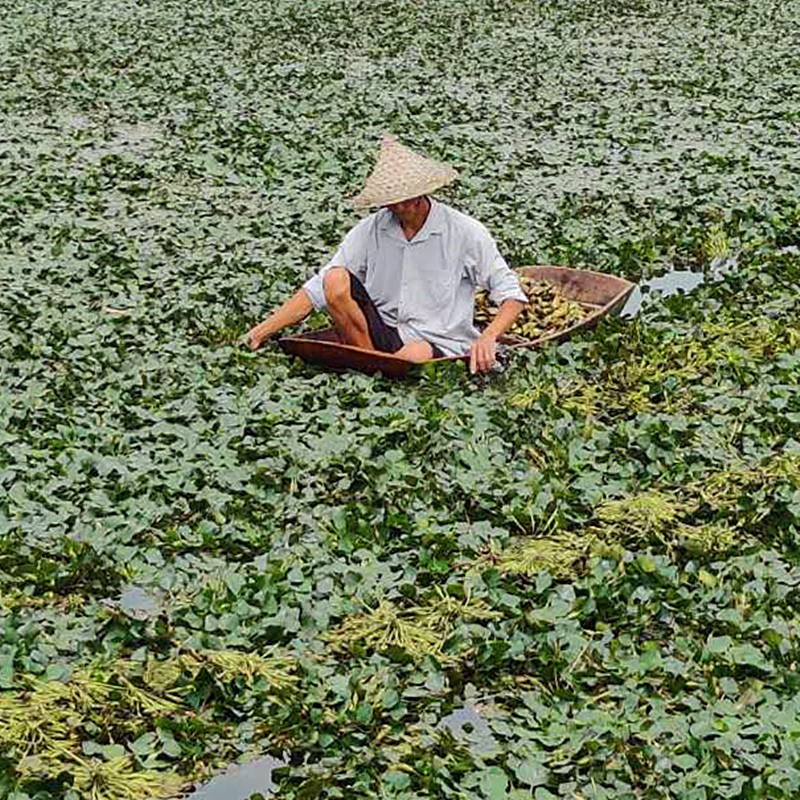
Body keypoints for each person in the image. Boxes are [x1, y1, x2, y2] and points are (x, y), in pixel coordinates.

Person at [245, 134, 526, 373]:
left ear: (419, 196)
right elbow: (317, 290)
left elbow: (511, 294)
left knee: (413, 357)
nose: (395, 209)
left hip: (436, 339)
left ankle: (373, 369)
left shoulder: (464, 232)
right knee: (334, 280)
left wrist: (488, 337)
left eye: (401, 202)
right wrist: (259, 332)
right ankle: (371, 365)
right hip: (383, 332)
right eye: (390, 203)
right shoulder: (373, 229)